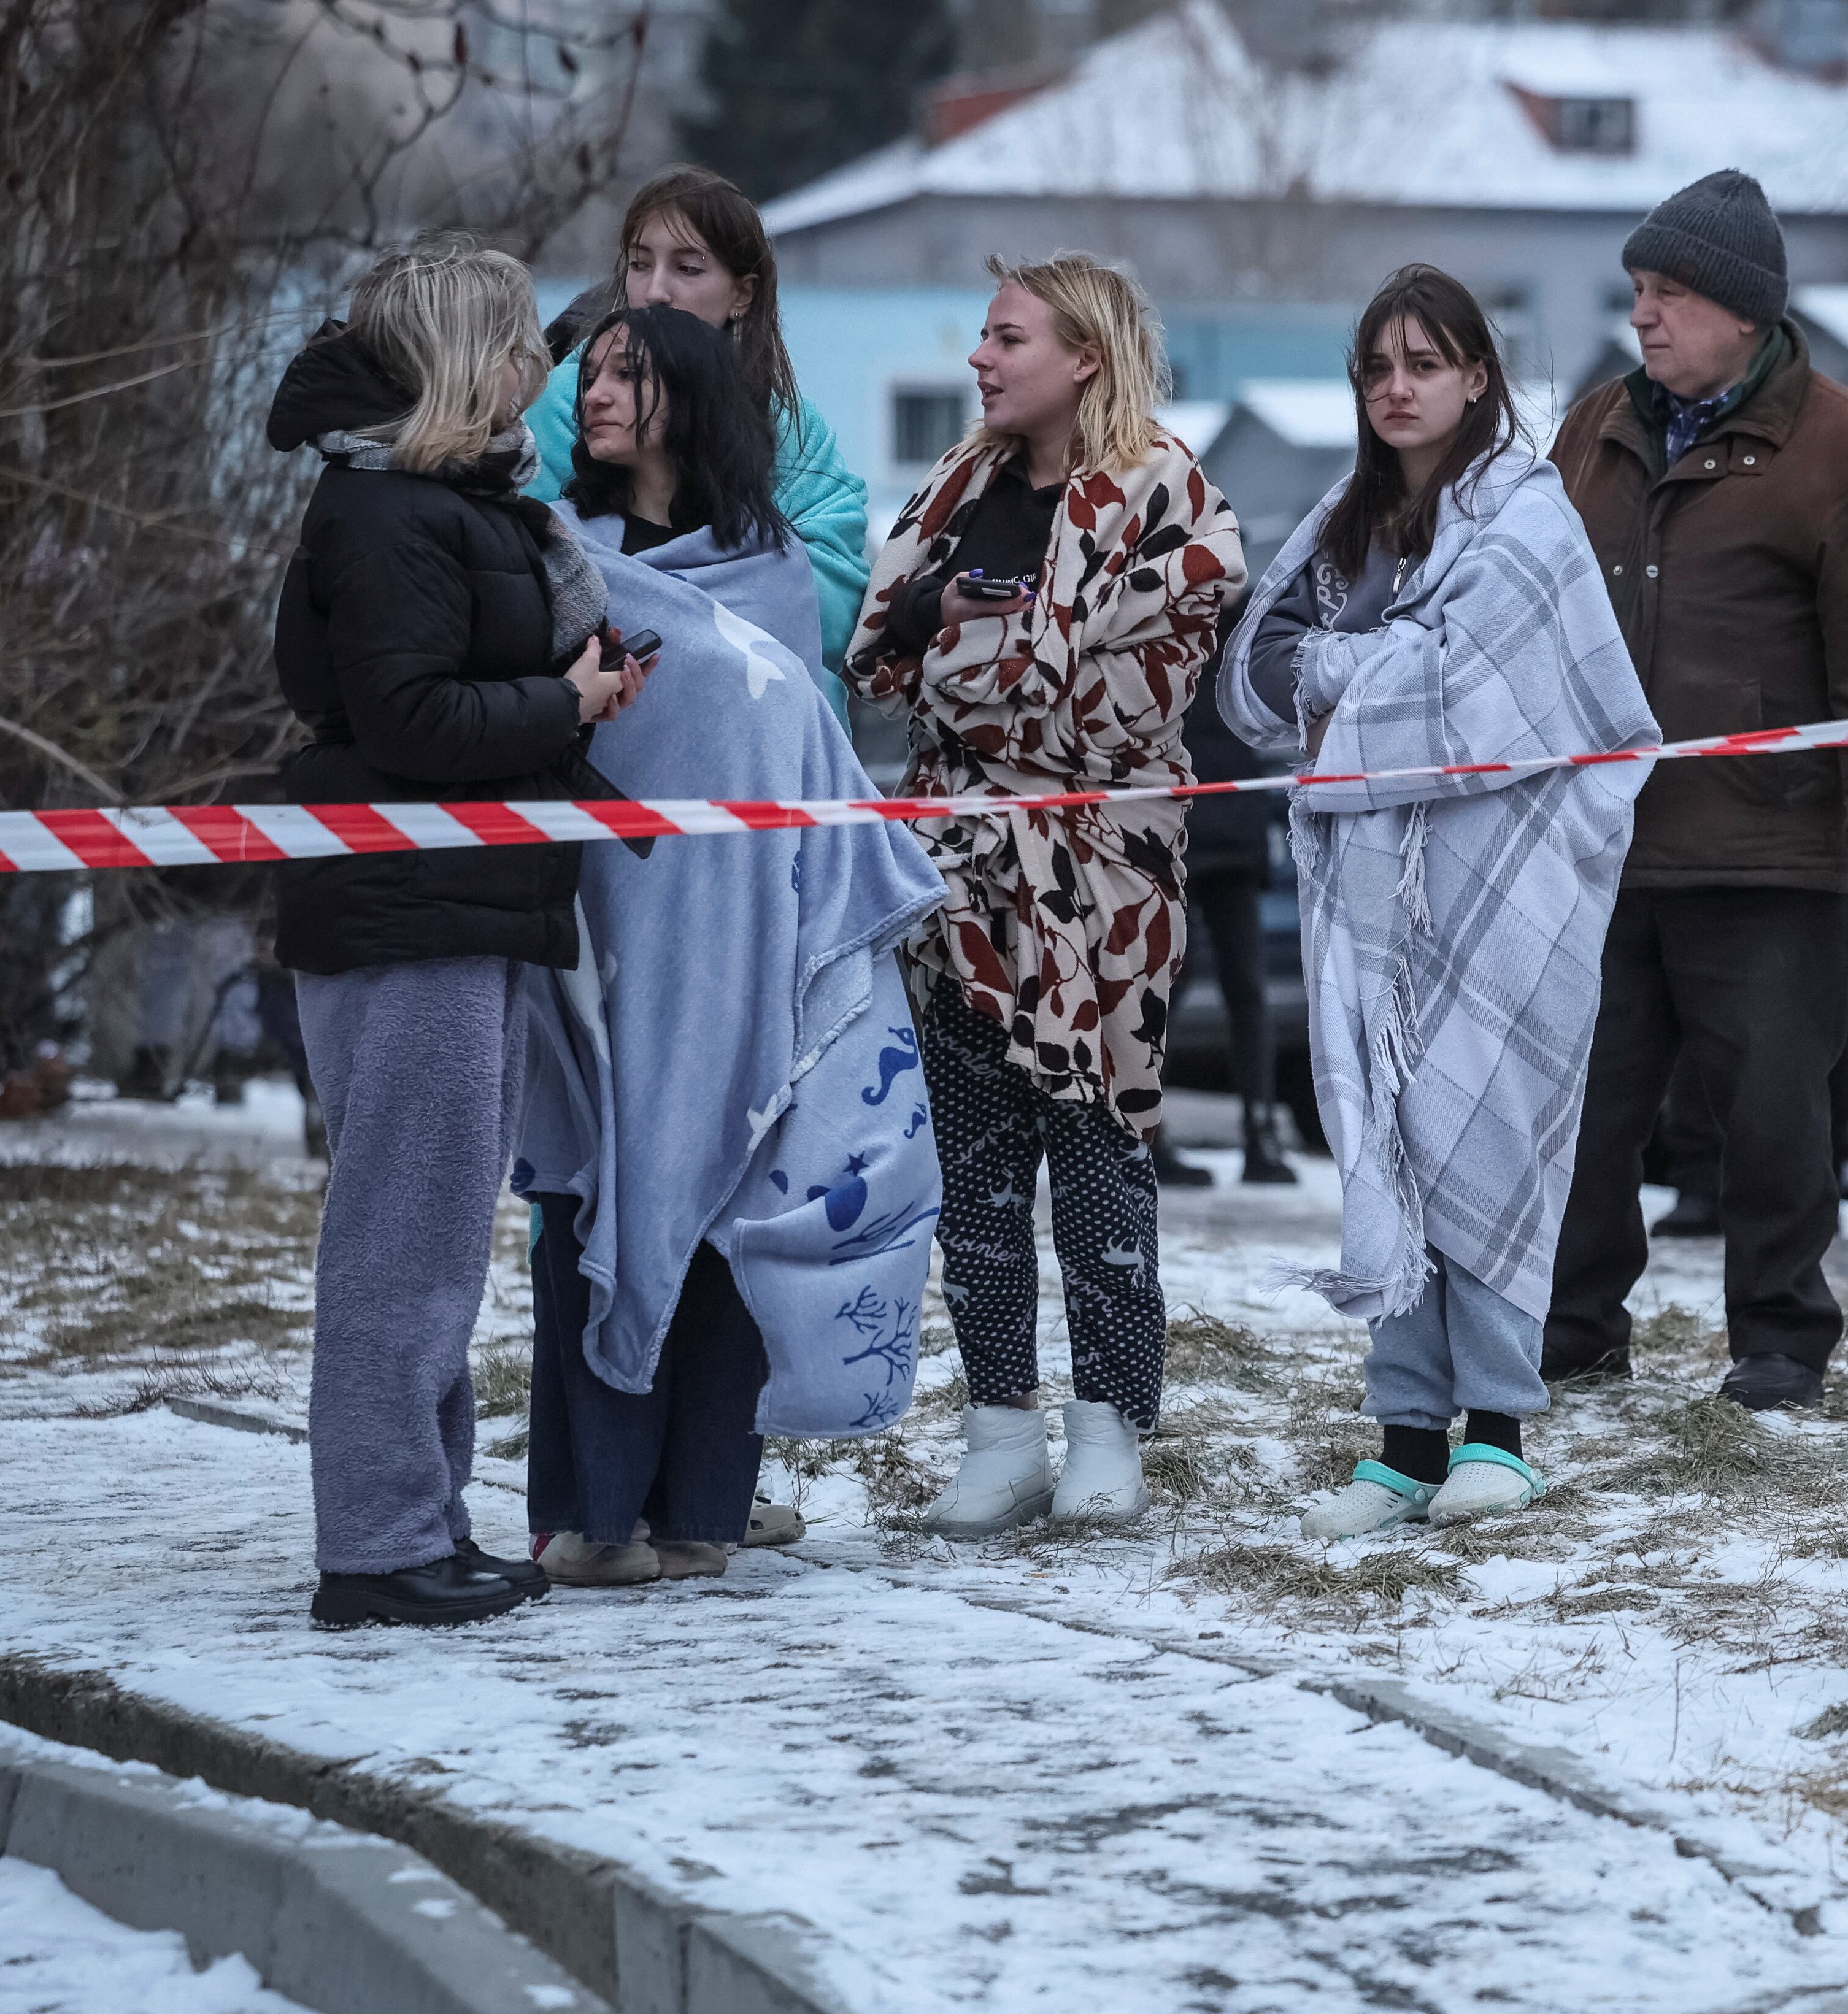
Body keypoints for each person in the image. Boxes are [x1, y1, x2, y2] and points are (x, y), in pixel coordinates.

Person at [1219, 264, 1657, 1537]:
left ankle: (1502, 1431)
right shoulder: (1345, 523)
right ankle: (1405, 1436)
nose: (1397, 388)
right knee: (1389, 1141)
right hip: (1370, 884)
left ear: (1477, 376)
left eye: (1423, 363)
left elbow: (1472, 693)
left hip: (1505, 878)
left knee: (1490, 1133)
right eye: (1376, 366)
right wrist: (1361, 668)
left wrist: (1343, 670)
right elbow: (1257, 673)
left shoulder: (1526, 516)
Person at [515, 304, 948, 1587]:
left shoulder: (762, 568)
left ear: (689, 399)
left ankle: (700, 1506)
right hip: (591, 936)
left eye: (627, 374)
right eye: (588, 372)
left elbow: (782, 745)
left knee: (730, 1200)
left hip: (738, 933)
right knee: (591, 1196)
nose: (593, 394)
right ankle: (592, 1516)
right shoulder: (552, 553)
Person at [264, 232, 642, 1629]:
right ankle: (375, 1545)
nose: (534, 377)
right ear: (458, 363)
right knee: (400, 1241)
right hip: (405, 913)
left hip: (446, 904)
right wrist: (572, 708)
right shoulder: (388, 515)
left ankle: (417, 1522)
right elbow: (411, 719)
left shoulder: (430, 503)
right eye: (513, 351)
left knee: (429, 1238)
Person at [1543, 168, 1848, 1412]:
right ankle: (1572, 1332)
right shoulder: (1592, 432)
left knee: (1775, 1121)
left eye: (1669, 293)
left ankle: (1778, 1342)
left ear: (1742, 311)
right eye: (1636, 293)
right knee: (1582, 1114)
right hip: (1598, 849)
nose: (1644, 316)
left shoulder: (1841, 447)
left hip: (1772, 860)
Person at [850, 252, 1244, 1536]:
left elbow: (1109, 708)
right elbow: (876, 652)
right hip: (958, 873)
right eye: (979, 335)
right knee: (971, 1168)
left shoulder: (1165, 493)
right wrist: (954, 633)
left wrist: (956, 648)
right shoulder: (956, 484)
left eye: (1005, 337)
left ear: (1083, 356)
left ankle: (1110, 1428)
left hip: (1101, 880)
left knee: (1096, 1153)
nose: (978, 358)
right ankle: (999, 1429)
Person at [523, 166, 869, 717]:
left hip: (758, 722)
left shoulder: (796, 430)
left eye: (687, 268)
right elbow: (527, 573)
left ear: (743, 294)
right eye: (640, 264)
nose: (656, 291)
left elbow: (835, 605)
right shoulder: (566, 400)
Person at [1177, 670, 1298, 1185]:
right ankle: (1147, 1135)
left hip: (1232, 826)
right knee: (1165, 984)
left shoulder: (1245, 624)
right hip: (1174, 821)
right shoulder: (1160, 608)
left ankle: (1261, 1133)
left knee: (1247, 986)